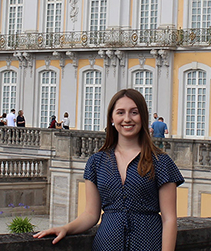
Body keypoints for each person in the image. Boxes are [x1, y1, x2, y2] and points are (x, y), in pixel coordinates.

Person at [35, 89, 184, 251]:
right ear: (112, 118)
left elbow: (169, 219)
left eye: (134, 112)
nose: (127, 118)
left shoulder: (160, 162)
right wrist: (66, 228)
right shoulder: (96, 162)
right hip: (107, 244)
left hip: (148, 244)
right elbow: (91, 214)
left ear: (143, 117)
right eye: (120, 112)